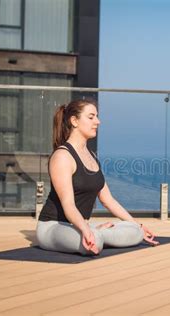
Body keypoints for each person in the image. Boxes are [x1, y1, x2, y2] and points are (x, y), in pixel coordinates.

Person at [36, 99, 159, 256]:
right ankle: (95, 233)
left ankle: (97, 232)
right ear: (74, 121)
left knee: (135, 232)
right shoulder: (62, 156)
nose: (98, 122)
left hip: (81, 225)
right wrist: (87, 230)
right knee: (96, 241)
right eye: (91, 117)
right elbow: (69, 206)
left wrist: (138, 225)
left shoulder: (91, 156)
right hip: (54, 227)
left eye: (97, 116)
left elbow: (108, 200)